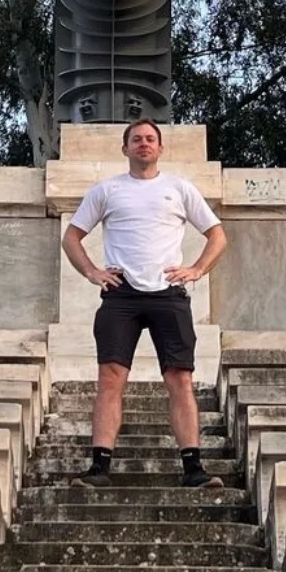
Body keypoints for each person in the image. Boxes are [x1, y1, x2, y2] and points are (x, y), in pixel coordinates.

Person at [60, 117, 229, 489]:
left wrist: (197, 269)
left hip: (167, 294)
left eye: (151, 139)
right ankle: (99, 468)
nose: (144, 144)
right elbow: (72, 237)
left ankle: (193, 468)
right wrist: (92, 272)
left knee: (180, 379)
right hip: (121, 294)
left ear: (160, 148)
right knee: (110, 379)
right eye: (136, 139)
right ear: (125, 148)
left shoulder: (179, 188)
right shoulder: (106, 190)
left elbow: (217, 236)